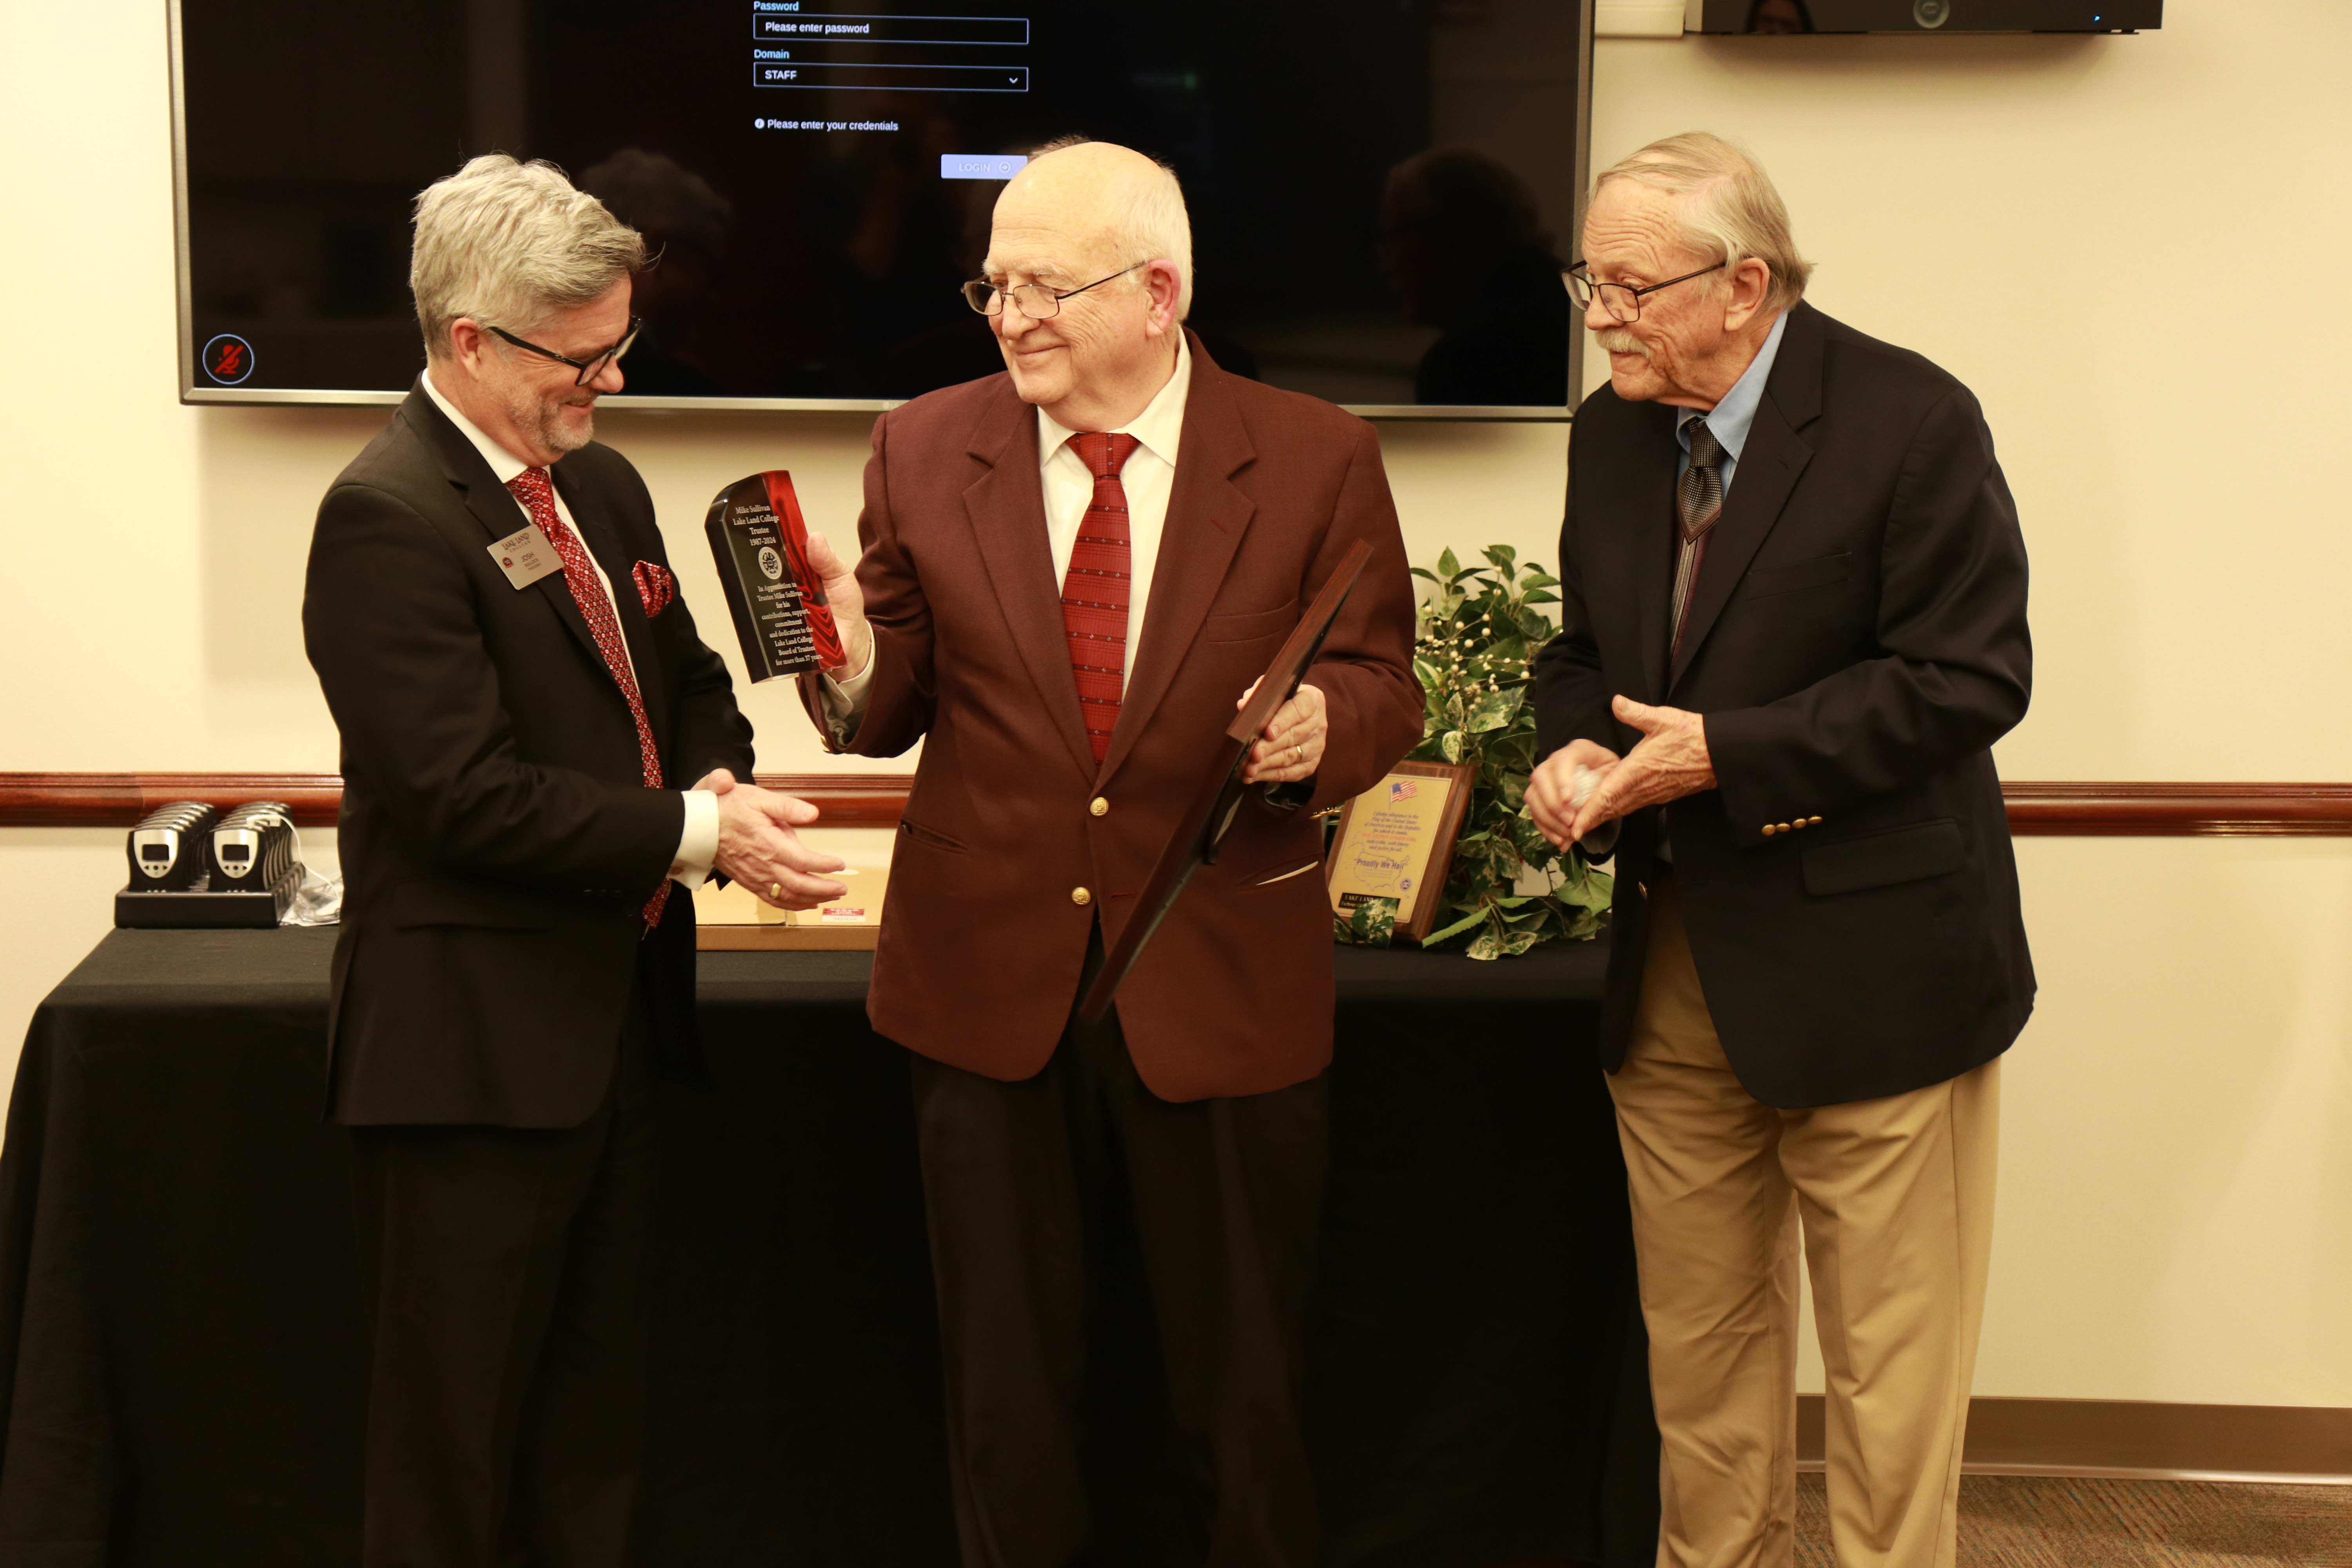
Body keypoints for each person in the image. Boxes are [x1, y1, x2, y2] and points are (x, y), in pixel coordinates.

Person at [795, 138, 1423, 1568]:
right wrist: (834, 646)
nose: (1009, 315)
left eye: (1043, 287)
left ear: (1157, 293)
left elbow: (1387, 681)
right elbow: (886, 712)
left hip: (1218, 980)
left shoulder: (1320, 453)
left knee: (1240, 1401)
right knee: (1005, 1403)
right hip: (984, 986)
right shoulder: (919, 443)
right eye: (993, 284)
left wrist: (1329, 725)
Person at [302, 154, 848, 1568]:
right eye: (581, 356)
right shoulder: (385, 516)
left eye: (620, 347)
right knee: (453, 1442)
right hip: (466, 1064)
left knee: (592, 1420)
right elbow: (458, 798)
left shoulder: (595, 485)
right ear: (469, 340)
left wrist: (721, 775)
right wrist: (700, 835)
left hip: (609, 1039)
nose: (606, 382)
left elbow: (686, 683)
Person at [1526, 132, 2033, 1568]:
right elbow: (1585, 656)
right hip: (1676, 969)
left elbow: (1970, 680)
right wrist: (1575, 746)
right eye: (1591, 282)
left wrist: (1724, 754)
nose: (1603, 315)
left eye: (1631, 287)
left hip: (1877, 977)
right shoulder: (1607, 431)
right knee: (1701, 1359)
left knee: (1888, 1378)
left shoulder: (1910, 419)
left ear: (1745, 283)